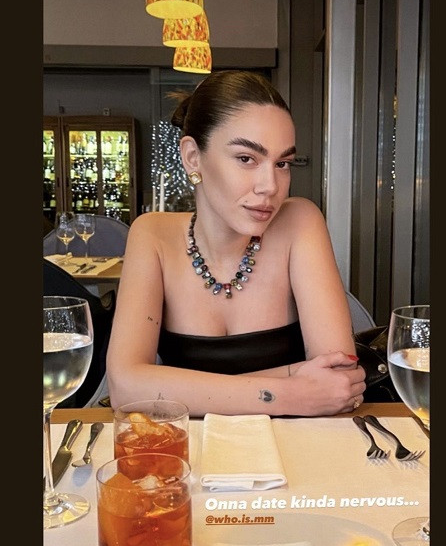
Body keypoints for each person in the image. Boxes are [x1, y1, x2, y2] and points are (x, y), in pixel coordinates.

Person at [106, 70, 366, 417]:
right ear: (193, 157)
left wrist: (172, 390)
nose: (270, 186)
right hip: (187, 447)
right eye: (246, 158)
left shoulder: (300, 221)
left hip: (295, 445)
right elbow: (124, 387)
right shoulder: (151, 235)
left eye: (282, 163)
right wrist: (292, 390)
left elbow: (338, 381)